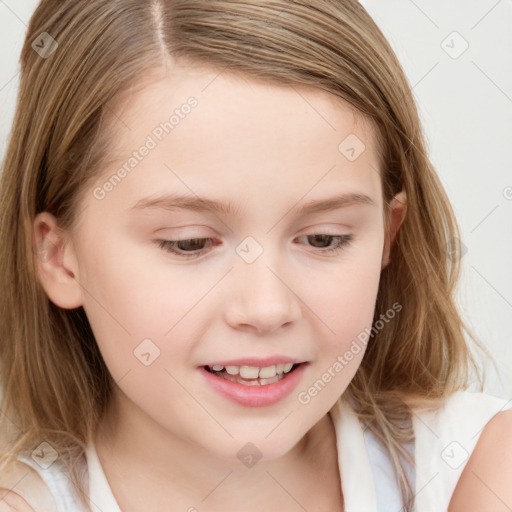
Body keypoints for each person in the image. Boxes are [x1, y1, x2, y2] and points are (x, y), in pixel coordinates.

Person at [0, 1, 511, 511]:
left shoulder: (480, 470)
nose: (267, 308)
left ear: (387, 236)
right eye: (189, 243)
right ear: (59, 257)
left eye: (324, 239)